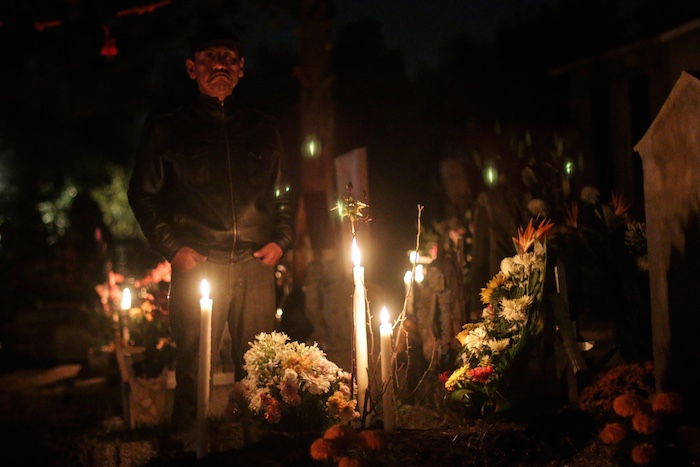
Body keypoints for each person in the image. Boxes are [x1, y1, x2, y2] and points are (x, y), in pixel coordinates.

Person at [127, 25, 297, 449]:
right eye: (209, 59)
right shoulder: (169, 127)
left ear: (241, 70)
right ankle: (187, 446)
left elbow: (285, 192)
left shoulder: (263, 127)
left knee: (261, 365)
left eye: (228, 59)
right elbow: (142, 194)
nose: (219, 66)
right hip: (198, 262)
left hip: (257, 263)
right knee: (193, 361)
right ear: (191, 68)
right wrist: (173, 248)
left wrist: (283, 240)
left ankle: (260, 445)